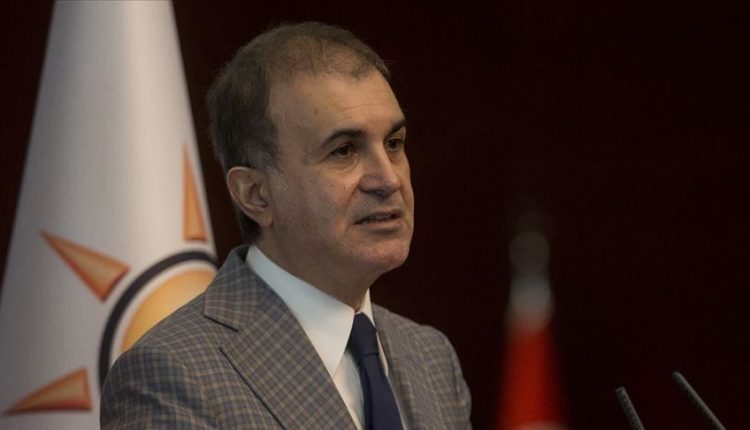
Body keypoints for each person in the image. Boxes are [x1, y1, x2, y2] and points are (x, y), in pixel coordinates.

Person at [100, 22, 472, 429]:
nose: (388, 179)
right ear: (255, 194)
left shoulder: (430, 358)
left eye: (394, 144)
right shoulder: (174, 376)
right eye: (344, 151)